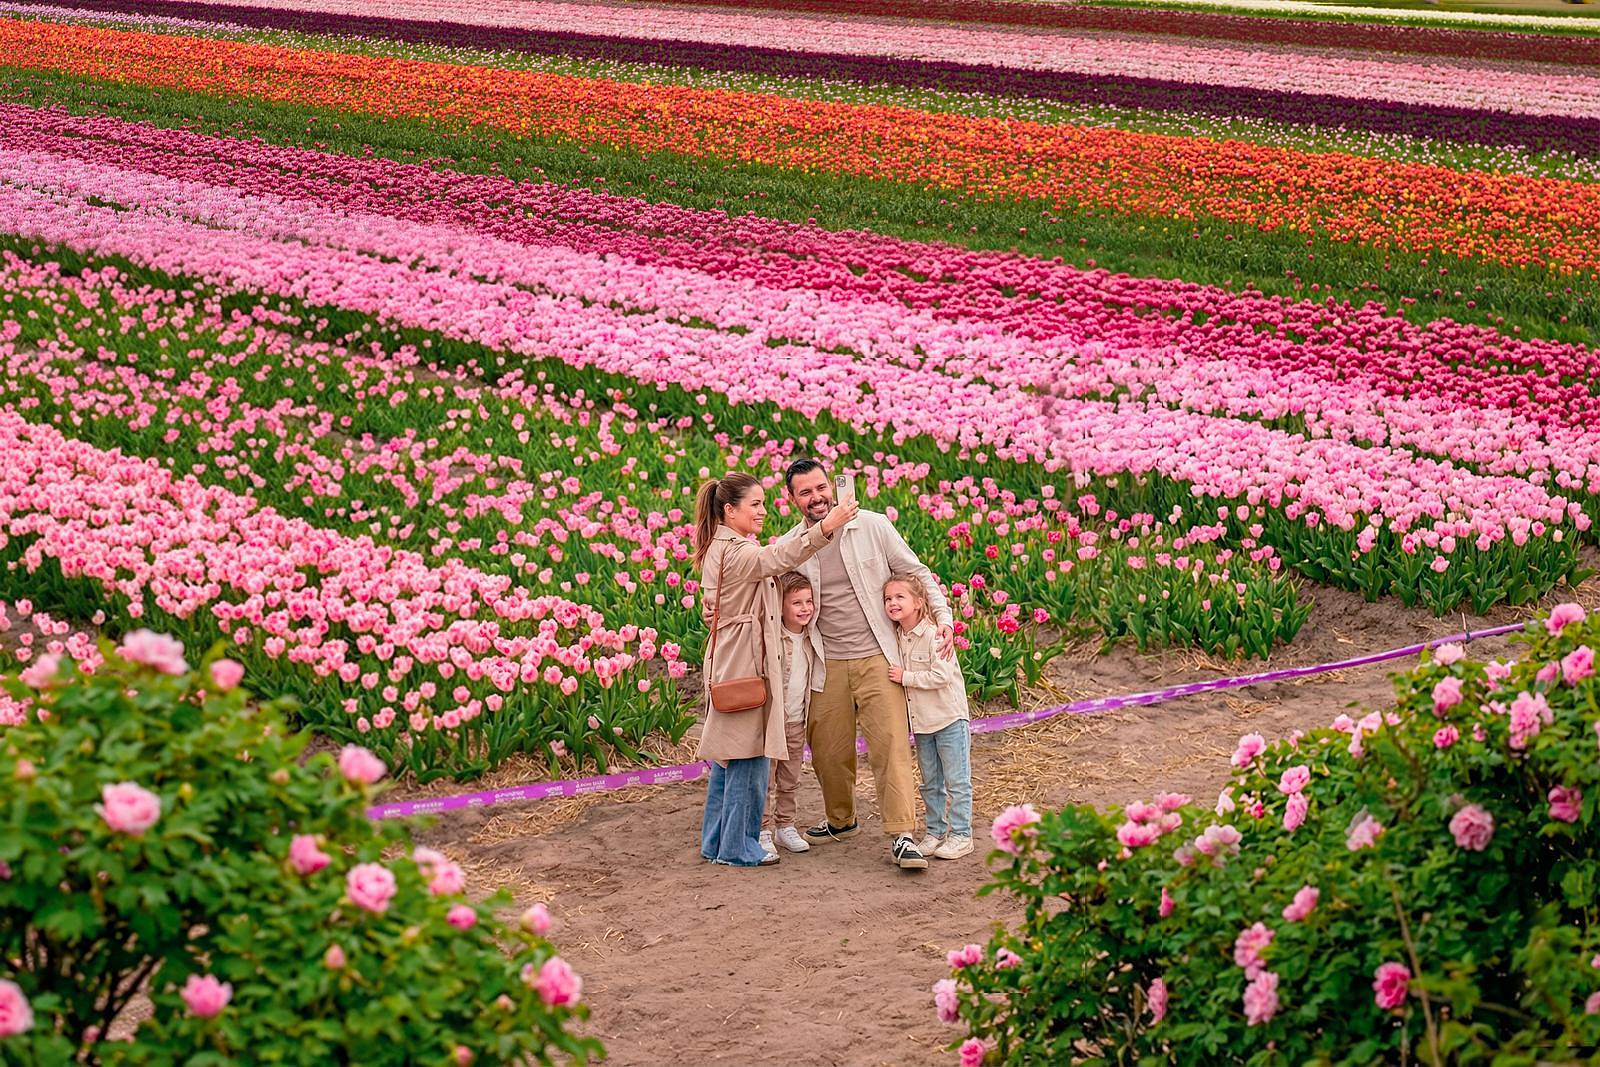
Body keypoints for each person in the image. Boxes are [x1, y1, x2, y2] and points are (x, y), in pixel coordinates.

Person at [777, 458, 954, 872]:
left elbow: (915, 572)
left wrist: (943, 617)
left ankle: (902, 835)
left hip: (878, 656)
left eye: (821, 487)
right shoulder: (793, 545)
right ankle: (842, 820)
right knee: (827, 750)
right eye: (805, 492)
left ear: (832, 486)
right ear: (792, 499)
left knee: (890, 745)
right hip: (825, 659)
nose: (817, 497)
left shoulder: (872, 526)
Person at [693, 472, 857, 868]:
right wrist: (827, 527)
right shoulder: (736, 551)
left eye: (764, 503)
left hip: (733, 658)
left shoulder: (722, 546)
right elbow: (778, 558)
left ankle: (717, 842)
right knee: (748, 758)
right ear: (730, 510)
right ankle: (739, 847)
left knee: (730, 760)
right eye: (755, 504)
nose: (763, 511)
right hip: (744, 663)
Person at [883, 573, 973, 860]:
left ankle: (962, 835)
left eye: (900, 597)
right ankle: (935, 832)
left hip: (948, 719)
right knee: (930, 782)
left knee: (957, 781)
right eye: (888, 598)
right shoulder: (896, 638)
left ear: (919, 603)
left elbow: (941, 676)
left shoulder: (935, 636)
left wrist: (906, 677)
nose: (892, 603)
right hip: (922, 724)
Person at [760, 572, 818, 857]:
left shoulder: (811, 638)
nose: (805, 608)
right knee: (766, 778)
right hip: (772, 721)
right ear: (780, 606)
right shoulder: (772, 638)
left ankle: (786, 825)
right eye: (796, 603)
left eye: (809, 601)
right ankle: (762, 829)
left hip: (797, 720)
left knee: (790, 778)